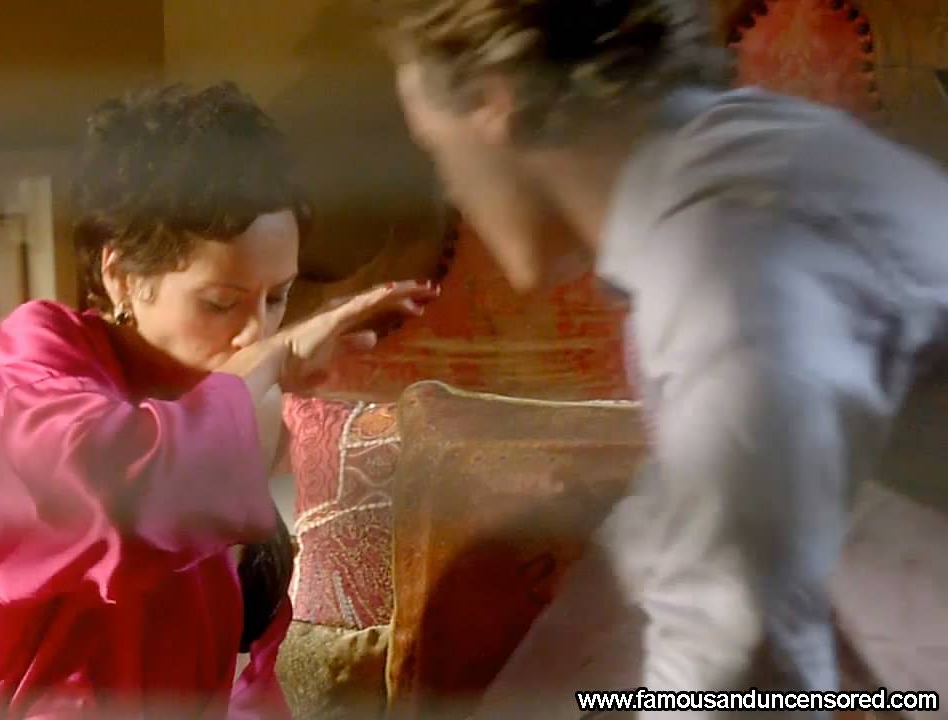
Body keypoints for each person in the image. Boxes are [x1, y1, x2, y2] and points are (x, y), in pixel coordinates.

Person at [378, 0, 948, 716]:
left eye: (434, 147)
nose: (450, 187)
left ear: (493, 101)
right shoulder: (747, 166)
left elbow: (734, 653)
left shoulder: (724, 254)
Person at [0, 83, 438, 719]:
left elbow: (246, 682)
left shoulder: (239, 408)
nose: (255, 332)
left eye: (277, 298)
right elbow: (123, 500)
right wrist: (270, 363)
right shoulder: (42, 353)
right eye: (220, 302)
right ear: (122, 277)